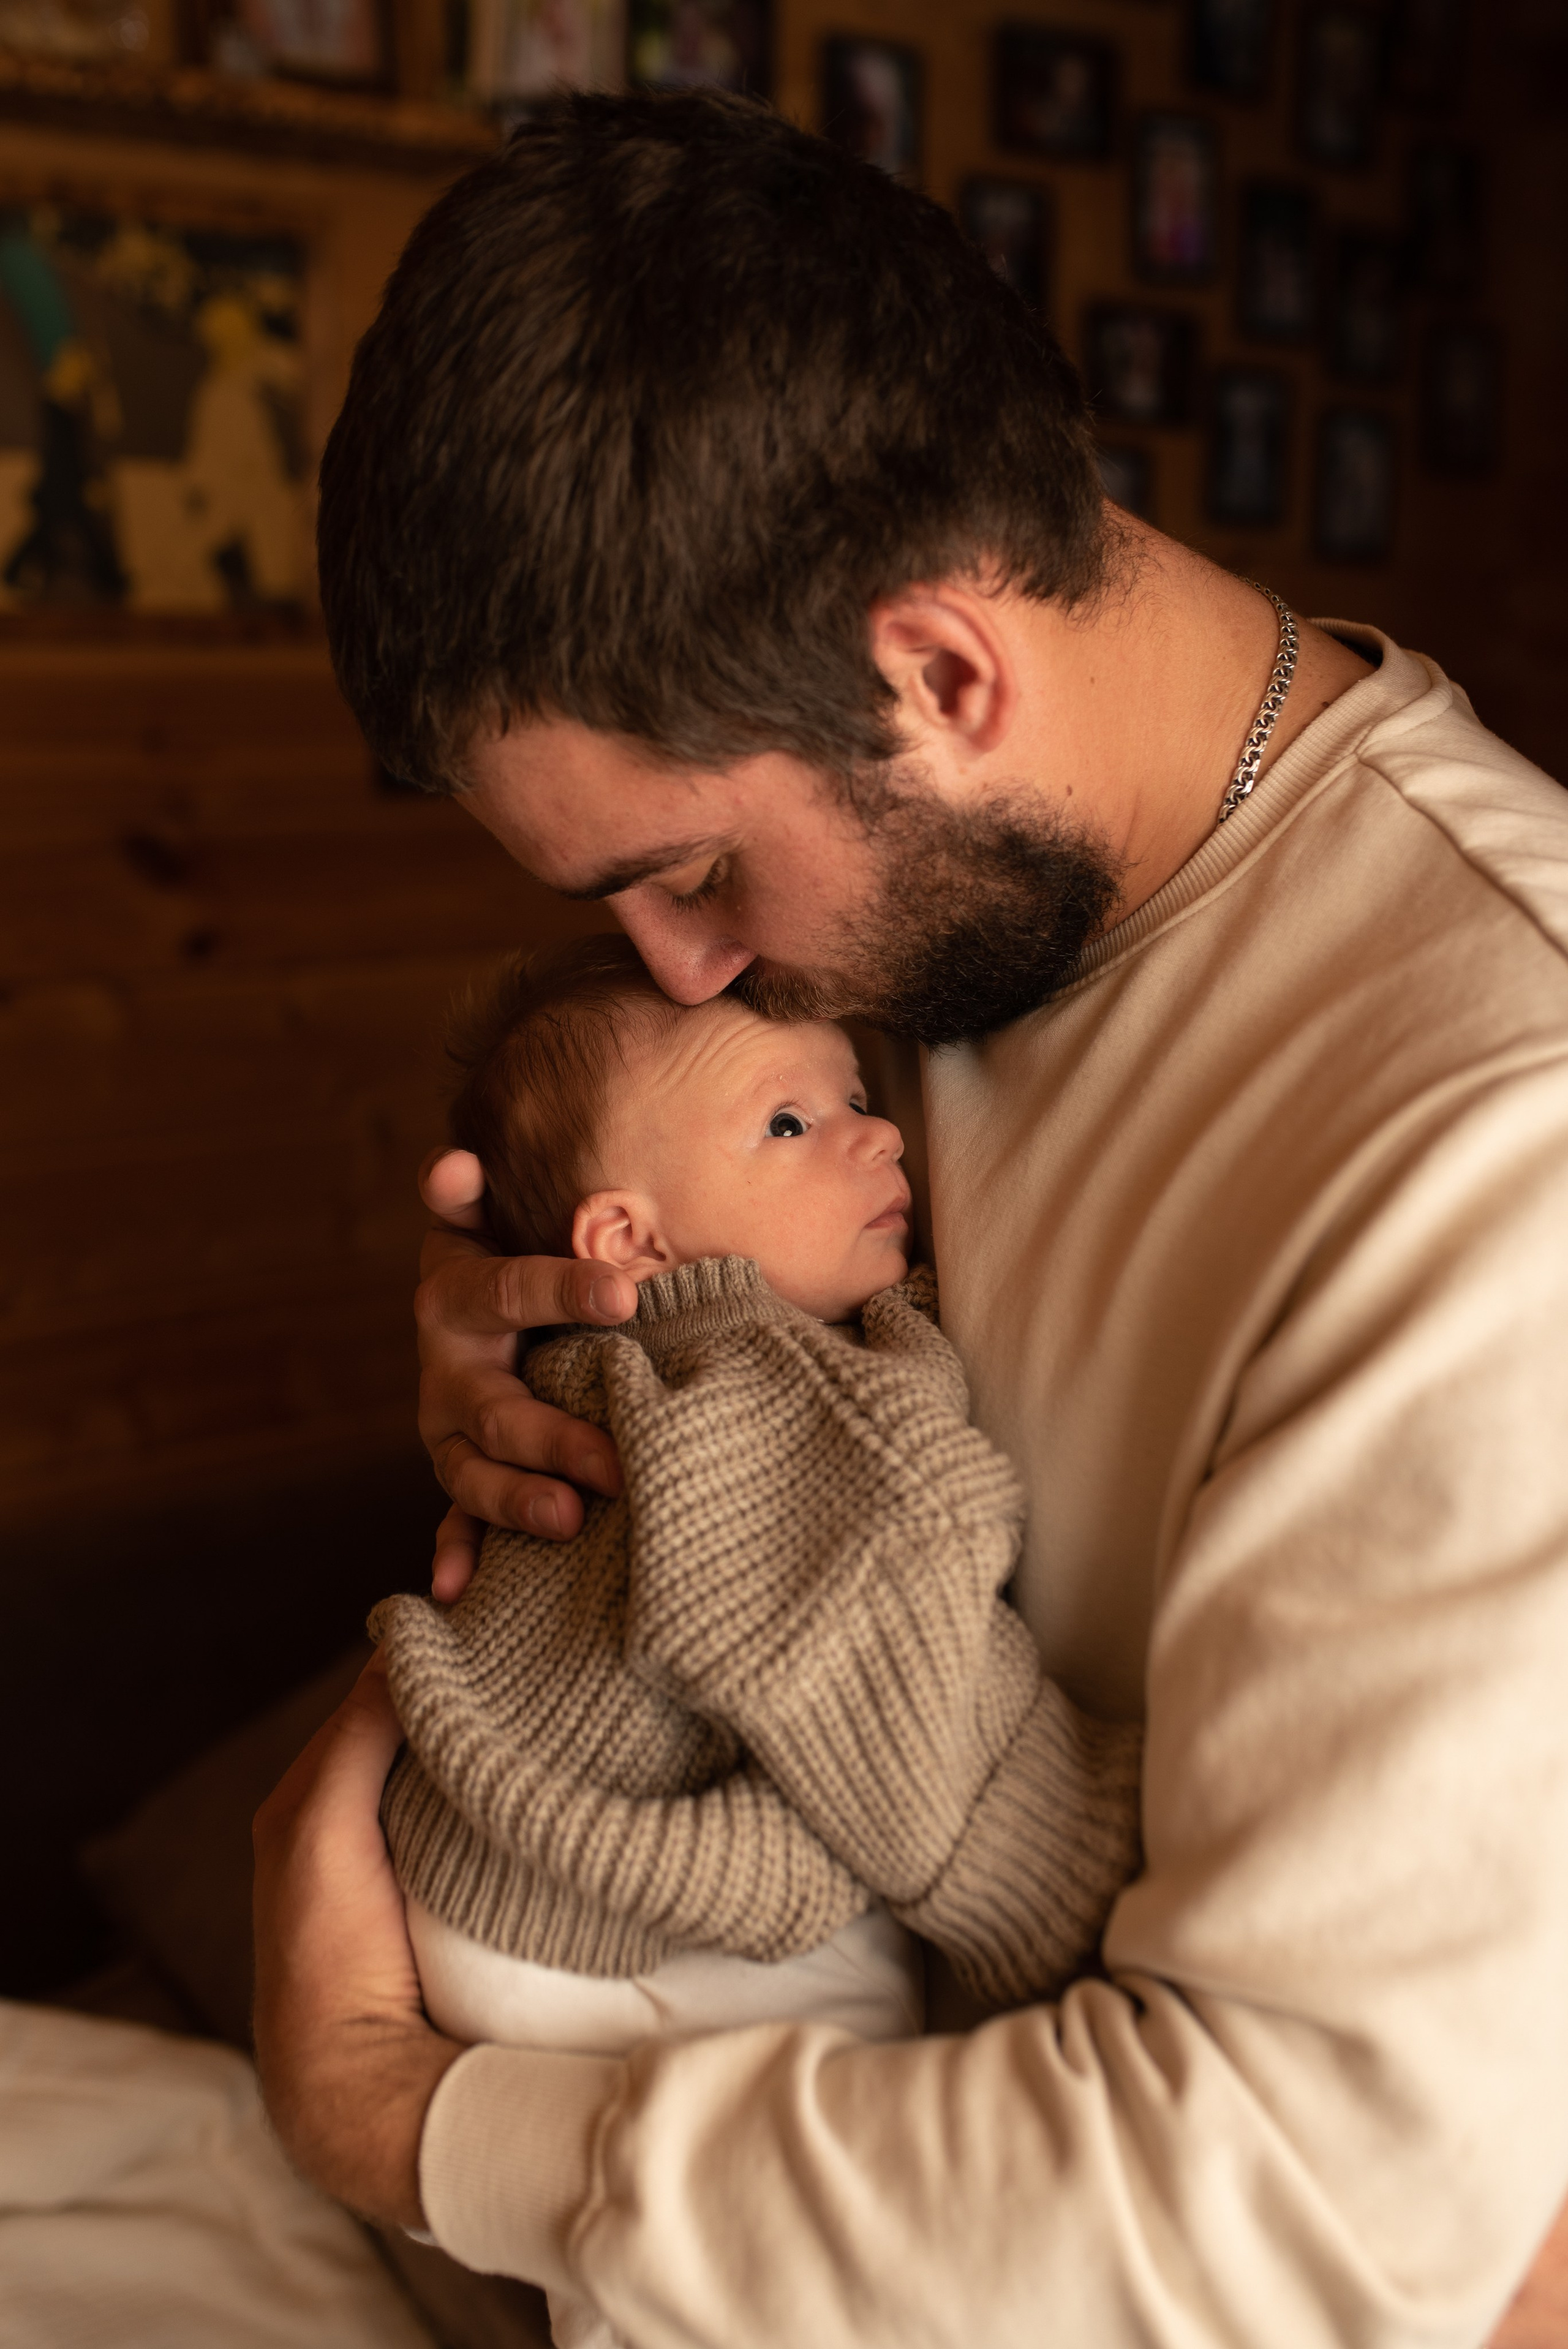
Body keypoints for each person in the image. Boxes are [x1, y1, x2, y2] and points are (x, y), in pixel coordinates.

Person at [254, 88, 1568, 2347]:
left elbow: (1267, 2222)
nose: (683, 968)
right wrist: (554, 1393)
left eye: (686, 865)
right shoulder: (914, 935)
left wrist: (401, 2111)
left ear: (942, 673)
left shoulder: (1494, 1130)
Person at [370, 934, 1141, 2349]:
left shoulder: (632, 1368)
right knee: (803, 2248)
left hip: (516, 1900)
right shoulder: (744, 1387)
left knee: (633, 2290)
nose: (877, 1139)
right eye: (789, 1124)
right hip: (630, 1925)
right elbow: (883, 1671)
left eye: (855, 1098)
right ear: (629, 1242)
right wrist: (1094, 1867)